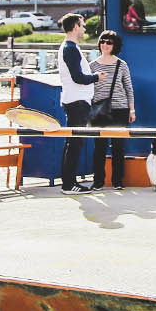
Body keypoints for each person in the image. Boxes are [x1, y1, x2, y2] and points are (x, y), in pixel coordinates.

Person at [56, 12, 100, 194]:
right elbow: (78, 77)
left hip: (76, 100)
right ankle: (68, 184)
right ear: (75, 26)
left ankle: (69, 182)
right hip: (76, 101)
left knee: (73, 143)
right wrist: (97, 77)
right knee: (74, 143)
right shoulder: (70, 48)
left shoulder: (70, 47)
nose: (84, 28)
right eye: (82, 25)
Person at [89, 30, 136, 191]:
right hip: (99, 110)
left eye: (109, 42)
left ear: (115, 45)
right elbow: (88, 89)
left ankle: (117, 180)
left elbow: (129, 88)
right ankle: (98, 181)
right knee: (99, 147)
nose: (105, 45)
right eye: (103, 41)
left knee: (118, 146)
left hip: (120, 109)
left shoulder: (121, 64)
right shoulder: (92, 65)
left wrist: (132, 110)